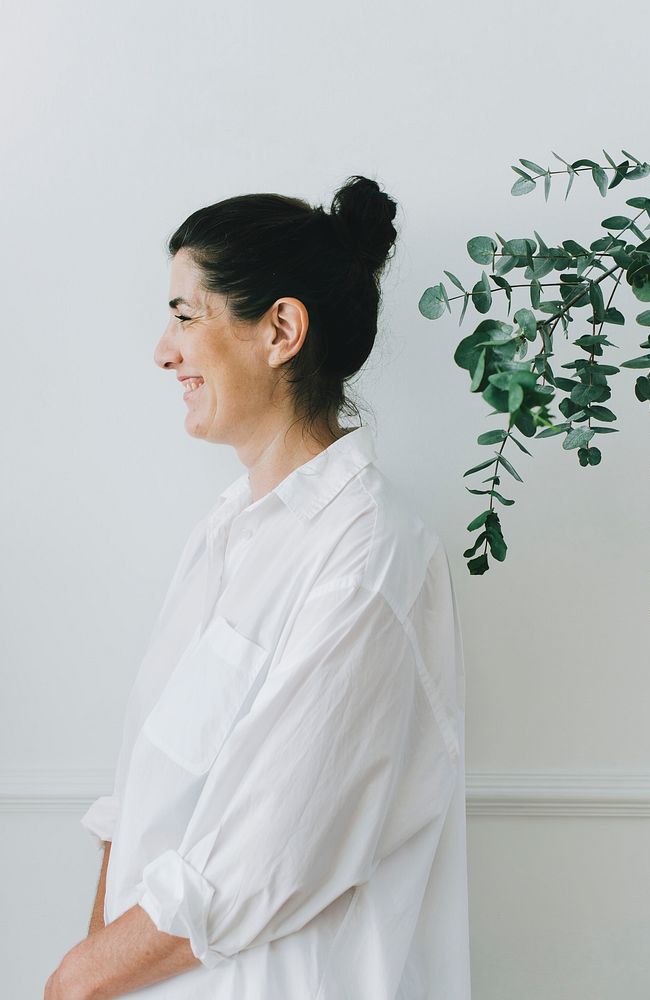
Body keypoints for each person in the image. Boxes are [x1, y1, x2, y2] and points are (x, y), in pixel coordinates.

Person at [46, 175, 470, 999]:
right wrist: (94, 969)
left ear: (280, 329)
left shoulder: (369, 552)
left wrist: (73, 982)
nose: (163, 351)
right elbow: (142, 790)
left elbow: (263, 855)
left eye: (182, 314)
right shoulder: (226, 532)